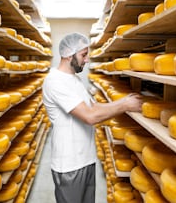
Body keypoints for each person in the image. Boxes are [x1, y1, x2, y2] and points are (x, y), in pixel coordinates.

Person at [42, 32, 143, 203]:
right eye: (83, 54)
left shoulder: (74, 80)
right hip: (69, 165)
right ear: (68, 54)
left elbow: (94, 107)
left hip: (86, 159)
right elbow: (89, 116)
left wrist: (123, 102)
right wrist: (124, 105)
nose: (87, 59)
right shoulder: (54, 81)